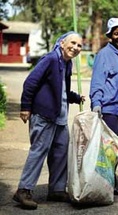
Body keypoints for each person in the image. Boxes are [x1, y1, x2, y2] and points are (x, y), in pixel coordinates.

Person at [13, 31, 85, 210]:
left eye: (79, 45)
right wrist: (25, 106)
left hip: (59, 117)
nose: (75, 48)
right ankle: (24, 190)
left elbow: (61, 90)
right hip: (44, 115)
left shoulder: (66, 63)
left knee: (61, 153)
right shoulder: (51, 59)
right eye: (73, 43)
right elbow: (30, 82)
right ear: (62, 43)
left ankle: (57, 189)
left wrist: (75, 97)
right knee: (39, 151)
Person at [89, 18, 118, 195]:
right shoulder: (104, 55)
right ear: (110, 35)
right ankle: (105, 183)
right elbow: (98, 81)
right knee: (108, 150)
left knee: (116, 150)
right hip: (109, 110)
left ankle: (110, 179)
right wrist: (96, 103)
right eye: (116, 33)